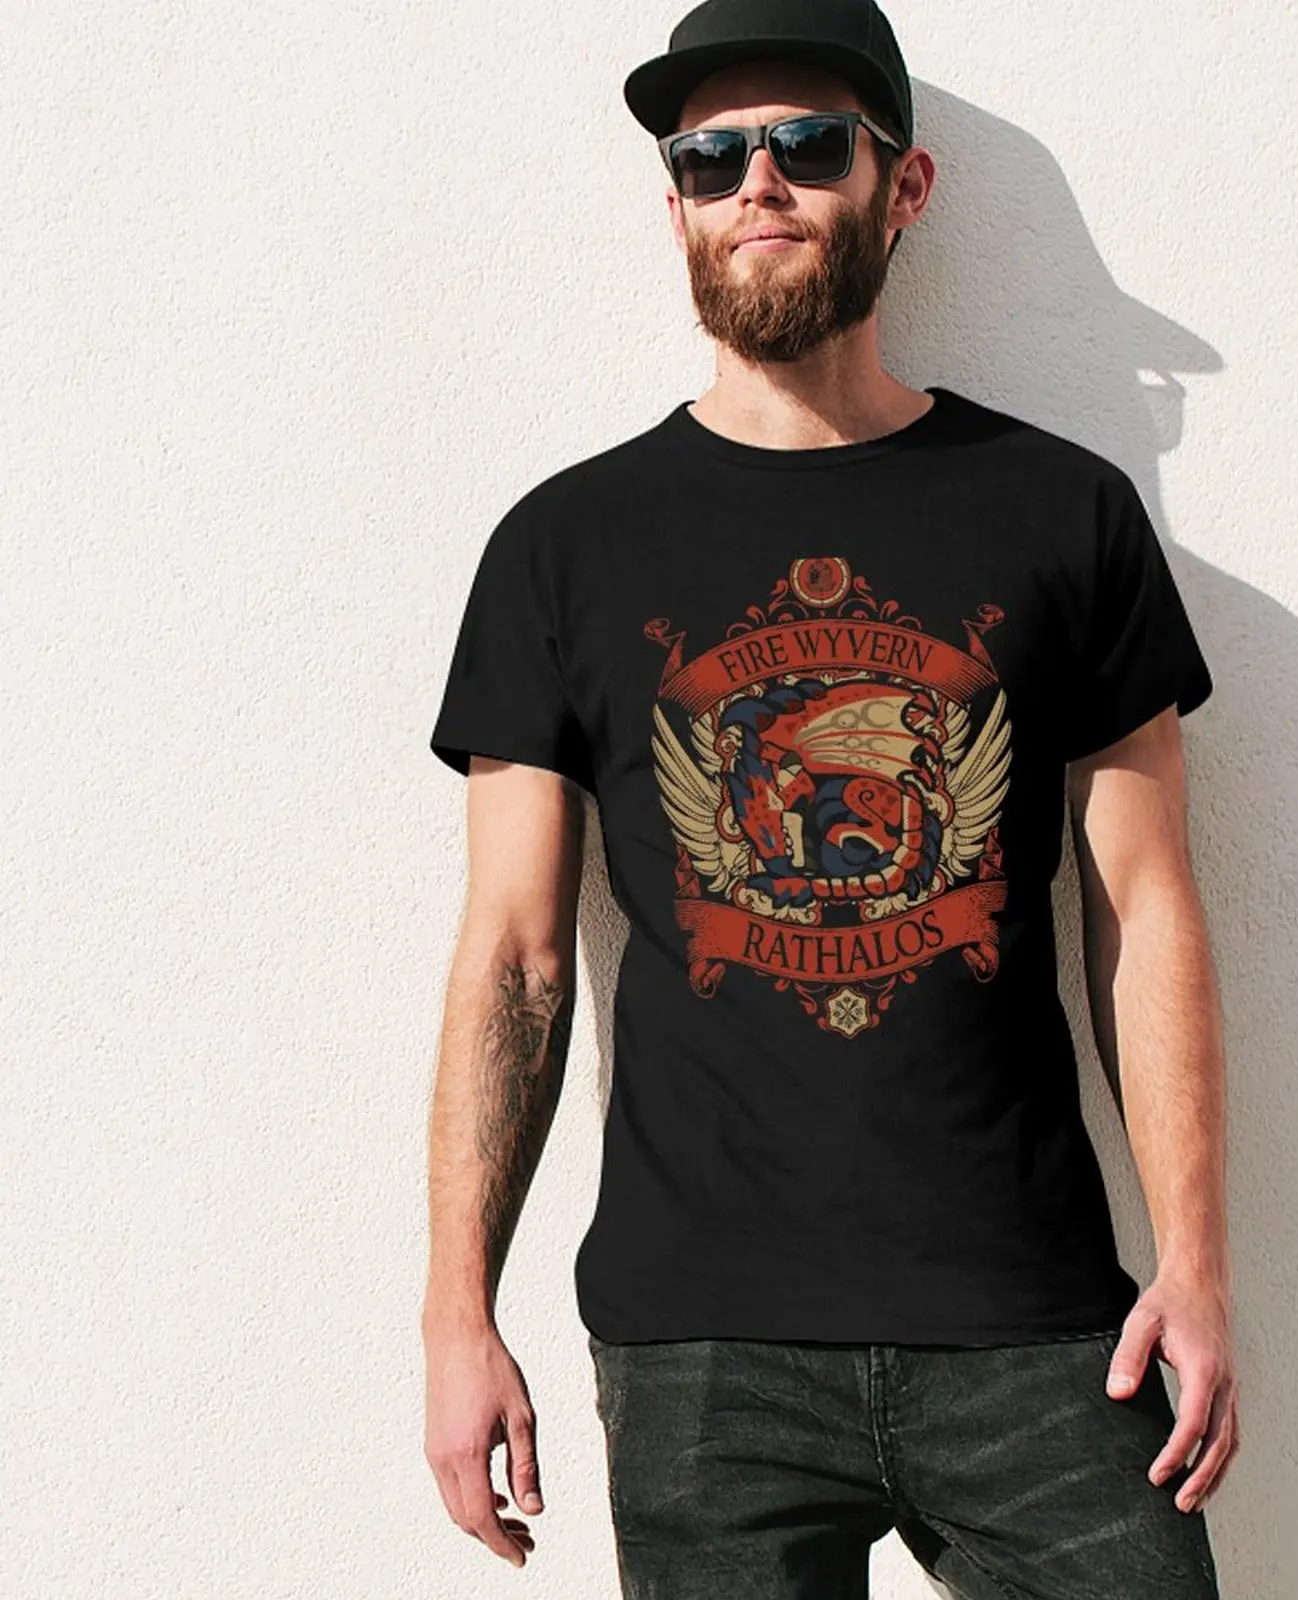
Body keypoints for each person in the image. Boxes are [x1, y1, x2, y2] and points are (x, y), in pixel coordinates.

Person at [420, 0, 1239, 1593]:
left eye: (808, 145)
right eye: (710, 156)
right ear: (676, 206)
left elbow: (1145, 911)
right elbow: (513, 958)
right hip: (703, 1353)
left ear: (901, 186)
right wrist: (460, 1313)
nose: (759, 183)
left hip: (1033, 1318)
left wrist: (1197, 1264)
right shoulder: (563, 548)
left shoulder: (1063, 514)